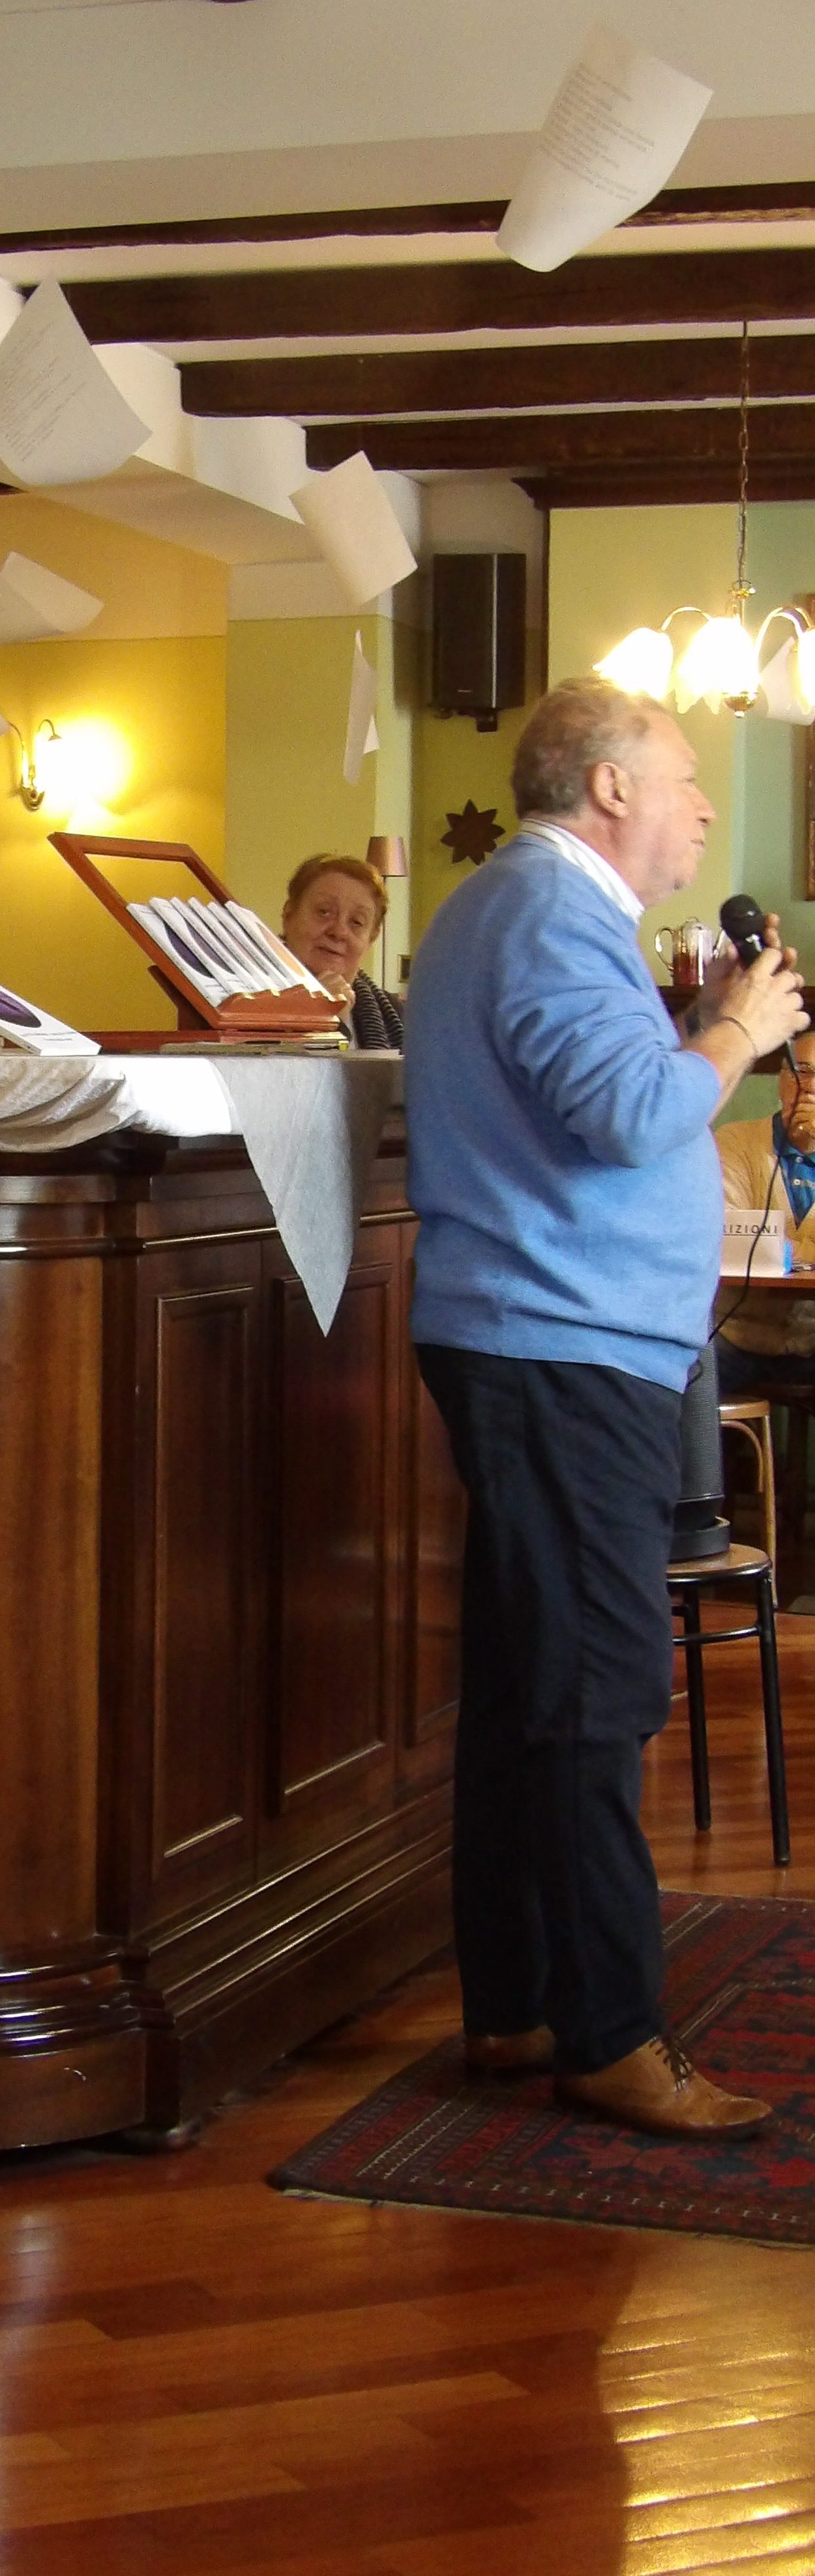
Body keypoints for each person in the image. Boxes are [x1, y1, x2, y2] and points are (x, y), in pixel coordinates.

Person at [404, 674, 807, 2140]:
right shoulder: (549, 912)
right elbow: (633, 1117)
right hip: (561, 1353)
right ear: (611, 786)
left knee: (532, 1685)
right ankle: (613, 2035)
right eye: (685, 774)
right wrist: (737, 1032)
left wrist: (696, 1024)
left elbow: (604, 1095)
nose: (702, 804)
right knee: (595, 1692)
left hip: (553, 1345)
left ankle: (516, 2002)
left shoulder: (540, 912)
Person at [713, 1030, 815, 1389]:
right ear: (782, 1080)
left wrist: (782, 1248)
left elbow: (767, 1247)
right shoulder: (735, 1142)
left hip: (811, 1342)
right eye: (802, 1071)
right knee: (685, 1368)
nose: (810, 1087)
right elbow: (728, 1239)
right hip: (736, 1335)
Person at [280, 853, 403, 1046]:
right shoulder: (240, 1004)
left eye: (357, 922)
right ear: (289, 915)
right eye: (324, 912)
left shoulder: (396, 1016)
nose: (339, 932)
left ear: (372, 937)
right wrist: (322, 1020)